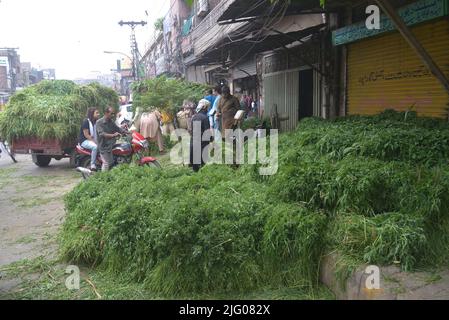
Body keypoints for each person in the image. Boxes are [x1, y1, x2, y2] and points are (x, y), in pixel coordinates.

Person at [96, 106, 126, 172]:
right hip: (103, 146)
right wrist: (113, 135)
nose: (113, 115)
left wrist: (127, 132)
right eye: (111, 113)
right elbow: (102, 134)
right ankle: (103, 178)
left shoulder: (111, 121)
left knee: (112, 163)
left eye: (113, 114)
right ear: (106, 113)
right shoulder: (99, 122)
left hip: (111, 145)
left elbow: (117, 129)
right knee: (107, 164)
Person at [190, 99, 211, 172]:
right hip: (202, 144)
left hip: (194, 142)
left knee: (195, 164)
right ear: (204, 107)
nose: (208, 109)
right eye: (208, 108)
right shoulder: (205, 118)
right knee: (203, 164)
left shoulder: (194, 117)